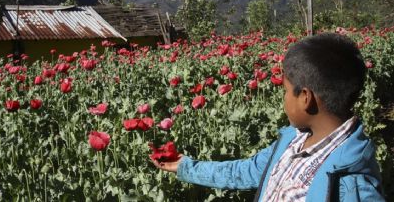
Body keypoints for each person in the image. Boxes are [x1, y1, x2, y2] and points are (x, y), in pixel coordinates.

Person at [150, 33, 385, 201]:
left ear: (306, 98)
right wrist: (185, 167)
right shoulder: (292, 141)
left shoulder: (351, 186)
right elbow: (245, 171)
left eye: (285, 90)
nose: (283, 98)